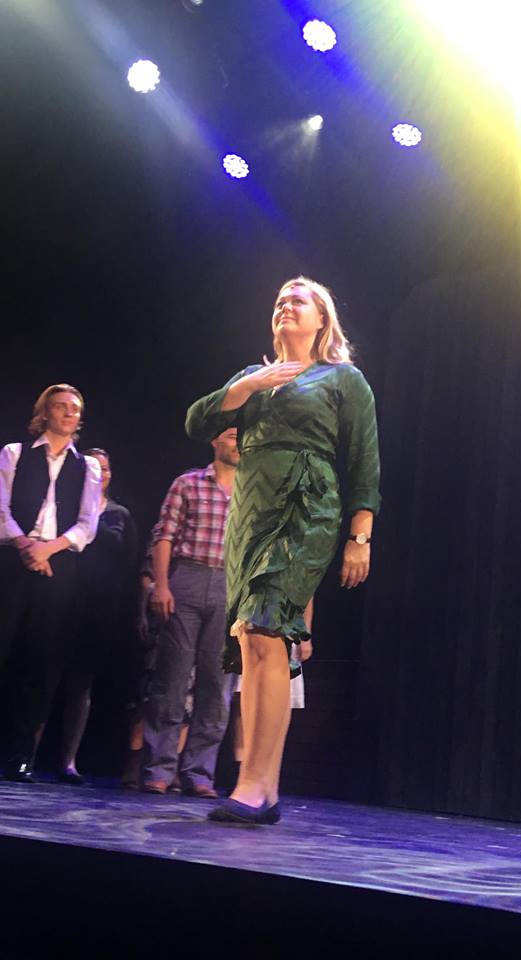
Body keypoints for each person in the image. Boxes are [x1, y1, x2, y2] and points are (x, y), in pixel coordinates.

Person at [185, 276, 380, 824]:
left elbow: (365, 461)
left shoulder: (343, 379)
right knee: (252, 640)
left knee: (267, 629)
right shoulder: (254, 377)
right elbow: (197, 422)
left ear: (322, 319)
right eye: (279, 302)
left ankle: (253, 784)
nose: (285, 307)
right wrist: (249, 386)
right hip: (250, 512)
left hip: (306, 507)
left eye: (297, 301)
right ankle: (263, 788)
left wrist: (360, 535)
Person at [0, 384, 102, 781]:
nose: (69, 413)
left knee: (40, 662)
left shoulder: (87, 466)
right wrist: (27, 546)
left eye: (75, 408)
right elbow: (2, 509)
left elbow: (87, 524)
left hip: (58, 565)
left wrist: (47, 550)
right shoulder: (15, 453)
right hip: (14, 559)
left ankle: (20, 754)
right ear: (44, 412)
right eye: (61, 406)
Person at [141, 428, 239, 798]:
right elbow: (164, 536)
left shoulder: (253, 490)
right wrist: (162, 585)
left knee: (218, 684)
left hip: (231, 586)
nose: (239, 443)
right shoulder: (188, 483)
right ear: (215, 441)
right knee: (172, 677)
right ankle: (159, 768)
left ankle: (200, 773)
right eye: (232, 435)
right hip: (188, 577)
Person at [47, 448, 138, 783]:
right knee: (44, 679)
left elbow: (130, 566)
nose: (100, 473)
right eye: (93, 467)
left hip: (98, 609)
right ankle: (24, 752)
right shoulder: (63, 507)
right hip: (59, 600)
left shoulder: (119, 515)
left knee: (81, 684)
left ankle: (68, 760)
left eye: (105, 468)